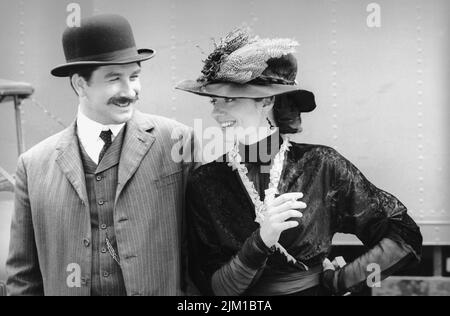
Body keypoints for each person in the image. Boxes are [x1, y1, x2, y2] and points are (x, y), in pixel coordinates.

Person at [176, 28, 422, 296]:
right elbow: (212, 289)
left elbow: (404, 236)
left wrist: (343, 281)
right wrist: (261, 241)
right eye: (214, 100)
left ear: (266, 101)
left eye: (229, 99)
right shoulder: (205, 182)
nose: (215, 111)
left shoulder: (321, 166)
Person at [6, 14, 195, 296]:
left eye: (134, 76)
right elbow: (22, 278)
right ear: (80, 84)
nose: (129, 91)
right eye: (114, 78)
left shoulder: (177, 141)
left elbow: (203, 253)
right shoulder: (33, 166)